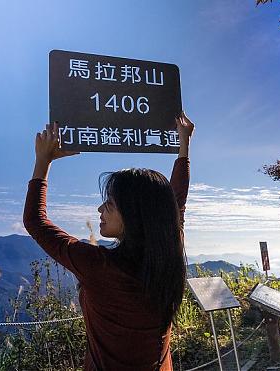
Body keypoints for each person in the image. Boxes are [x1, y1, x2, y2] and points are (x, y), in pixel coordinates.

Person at [24, 113, 195, 370]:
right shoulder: (168, 251)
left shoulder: (98, 265)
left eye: (111, 204)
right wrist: (184, 146)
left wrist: (43, 161)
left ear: (133, 216)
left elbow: (35, 222)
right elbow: (175, 200)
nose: (100, 209)